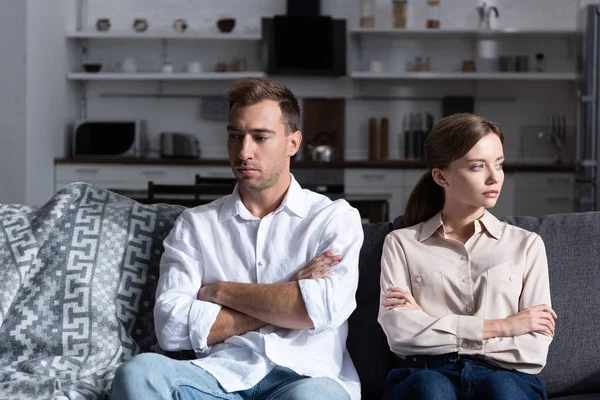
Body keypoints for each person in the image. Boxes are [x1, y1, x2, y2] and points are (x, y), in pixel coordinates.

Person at [110, 77, 364, 400]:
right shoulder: (195, 225)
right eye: (235, 136)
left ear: (293, 143)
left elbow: (320, 309)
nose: (244, 151)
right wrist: (286, 296)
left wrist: (220, 291)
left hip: (305, 379)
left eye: (260, 137)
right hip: (218, 379)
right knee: (139, 374)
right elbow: (171, 328)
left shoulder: (333, 218)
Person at [378, 113, 557, 400]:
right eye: (477, 166)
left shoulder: (527, 245)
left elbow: (534, 349)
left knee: (502, 390)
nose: (494, 177)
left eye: (499, 164)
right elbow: (401, 336)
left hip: (506, 375)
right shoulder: (401, 244)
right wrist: (506, 326)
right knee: (431, 389)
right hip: (426, 373)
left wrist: (429, 325)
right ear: (441, 176)